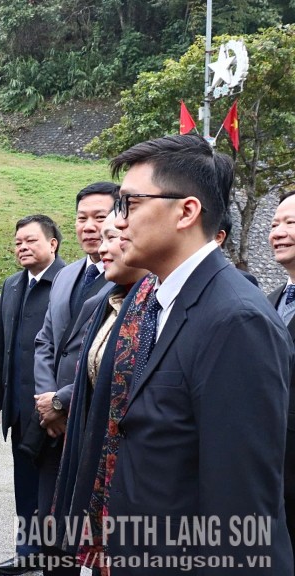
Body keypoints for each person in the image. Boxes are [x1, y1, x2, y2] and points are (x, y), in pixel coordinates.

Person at [98, 134, 292, 572]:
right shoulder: (159, 300)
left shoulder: (236, 321)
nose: (118, 221)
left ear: (187, 211)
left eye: (129, 204)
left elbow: (240, 507)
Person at [48, 212, 149, 574]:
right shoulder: (107, 304)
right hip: (97, 459)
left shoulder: (156, 308)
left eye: (113, 236)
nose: (102, 248)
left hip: (135, 475)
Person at [30, 182, 116, 576]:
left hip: (90, 414)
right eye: (82, 218)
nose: (89, 226)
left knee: (90, 530)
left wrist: (65, 399)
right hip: (52, 421)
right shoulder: (66, 276)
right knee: (52, 523)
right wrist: (47, 400)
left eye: (100, 217)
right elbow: (47, 340)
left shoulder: (129, 277)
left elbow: (110, 351)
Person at [0, 215, 65, 575]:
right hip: (19, 408)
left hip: (55, 409)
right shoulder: (12, 285)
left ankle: (54, 553)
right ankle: (27, 548)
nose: (22, 247)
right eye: (18, 241)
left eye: (31, 240)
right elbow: (1, 346)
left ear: (52, 244)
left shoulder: (68, 283)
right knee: (24, 485)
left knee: (52, 489)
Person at [266, 190, 295, 564]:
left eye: (290, 223)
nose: (278, 232)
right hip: (273, 474)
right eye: (274, 224)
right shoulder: (268, 300)